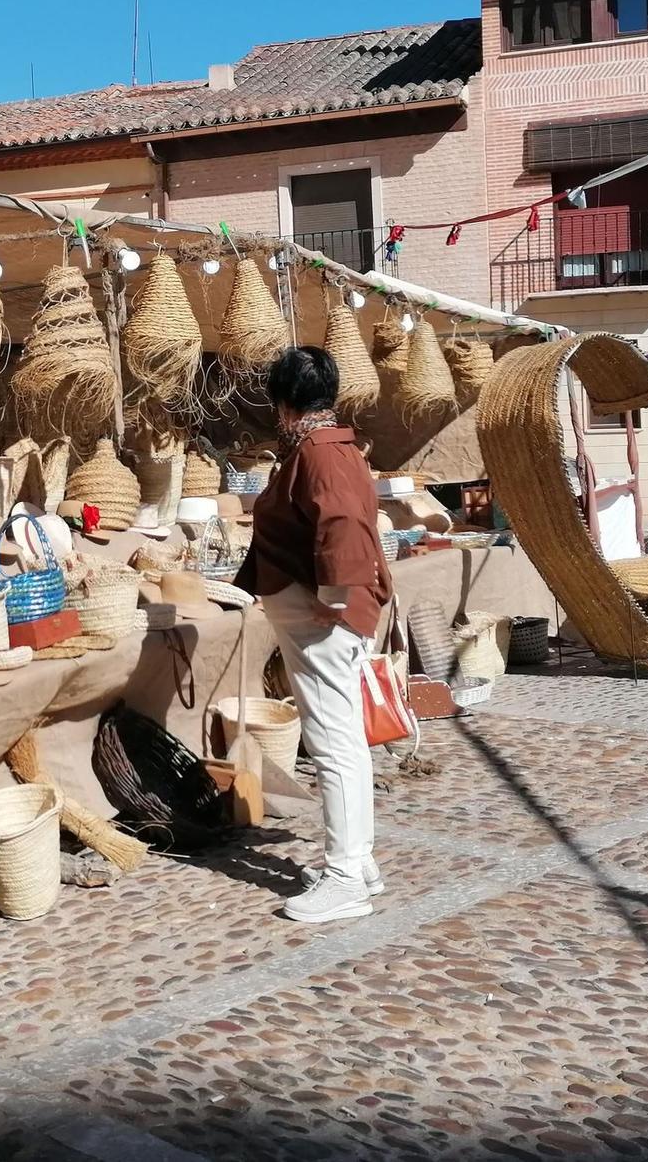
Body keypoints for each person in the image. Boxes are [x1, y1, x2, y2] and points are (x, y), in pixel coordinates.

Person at [236, 345, 394, 924]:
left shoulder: (320, 455)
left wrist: (334, 596)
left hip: (324, 619)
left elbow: (343, 524)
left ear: (282, 402)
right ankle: (360, 862)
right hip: (321, 615)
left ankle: (346, 875)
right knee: (342, 739)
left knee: (333, 744)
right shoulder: (327, 447)